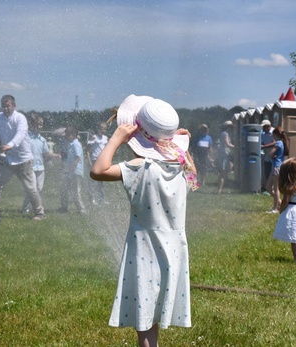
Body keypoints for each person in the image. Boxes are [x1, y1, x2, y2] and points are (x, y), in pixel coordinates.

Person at [90, 95, 197, 347]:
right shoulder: (181, 167)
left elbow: (98, 171)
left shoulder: (139, 166)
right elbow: (194, 178)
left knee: (144, 321)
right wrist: (182, 148)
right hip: (174, 250)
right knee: (153, 318)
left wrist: (116, 139)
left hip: (145, 251)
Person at [0, 95, 45, 220]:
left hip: (24, 160)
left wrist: (10, 145)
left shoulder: (20, 118)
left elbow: (20, 134)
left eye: (8, 106)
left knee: (31, 189)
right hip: (9, 159)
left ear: (14, 106)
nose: (5, 108)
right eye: (3, 106)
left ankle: (39, 212)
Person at [21, 113, 60, 213]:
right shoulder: (27, 137)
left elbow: (46, 153)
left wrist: (55, 155)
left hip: (40, 167)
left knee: (39, 188)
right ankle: (26, 208)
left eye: (41, 125)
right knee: (32, 189)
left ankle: (35, 207)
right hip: (30, 167)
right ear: (32, 125)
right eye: (37, 124)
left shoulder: (42, 139)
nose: (39, 127)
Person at [59, 126, 86, 214]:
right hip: (70, 172)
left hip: (75, 172)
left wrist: (68, 169)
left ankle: (82, 209)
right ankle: (64, 207)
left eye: (67, 135)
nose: (65, 136)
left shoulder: (76, 144)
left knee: (76, 192)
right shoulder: (71, 144)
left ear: (73, 135)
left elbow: (78, 158)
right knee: (64, 189)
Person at [265, 126, 289, 213]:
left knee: (276, 188)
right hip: (275, 167)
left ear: (276, 134)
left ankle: (275, 208)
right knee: (268, 186)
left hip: (277, 167)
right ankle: (279, 202)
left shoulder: (278, 142)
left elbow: (271, 153)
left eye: (273, 135)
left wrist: (272, 156)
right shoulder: (282, 142)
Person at [86, 122, 108, 204]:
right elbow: (87, 150)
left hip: (102, 161)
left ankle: (102, 199)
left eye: (104, 128)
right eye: (101, 128)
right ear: (98, 128)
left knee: (101, 181)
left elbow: (107, 150)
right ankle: (91, 199)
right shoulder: (94, 137)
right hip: (95, 160)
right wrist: (89, 161)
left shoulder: (105, 138)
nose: (103, 130)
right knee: (93, 180)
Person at [216, 120, 234, 194]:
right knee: (223, 173)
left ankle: (221, 188)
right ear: (228, 127)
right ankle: (219, 190)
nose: (231, 128)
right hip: (224, 155)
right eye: (230, 127)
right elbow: (228, 144)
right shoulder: (225, 133)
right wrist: (238, 147)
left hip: (225, 154)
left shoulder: (225, 133)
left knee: (229, 168)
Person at [260, 119, 275, 193]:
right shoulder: (263, 134)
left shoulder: (273, 132)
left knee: (273, 172)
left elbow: (275, 143)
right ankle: (268, 187)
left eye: (264, 127)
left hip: (274, 155)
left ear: (268, 126)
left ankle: (272, 188)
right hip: (267, 155)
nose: (263, 129)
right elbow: (262, 142)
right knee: (267, 171)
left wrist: (264, 146)